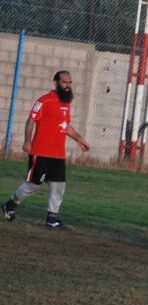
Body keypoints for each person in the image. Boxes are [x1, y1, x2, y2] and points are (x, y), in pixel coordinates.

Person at [2, 70, 90, 229]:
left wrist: (78, 138)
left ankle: (52, 218)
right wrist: (27, 141)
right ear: (56, 83)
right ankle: (10, 204)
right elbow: (31, 121)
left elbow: (65, 126)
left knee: (59, 185)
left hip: (58, 154)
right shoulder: (44, 101)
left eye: (70, 83)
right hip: (41, 151)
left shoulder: (66, 104)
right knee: (33, 185)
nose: (68, 86)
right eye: (64, 82)